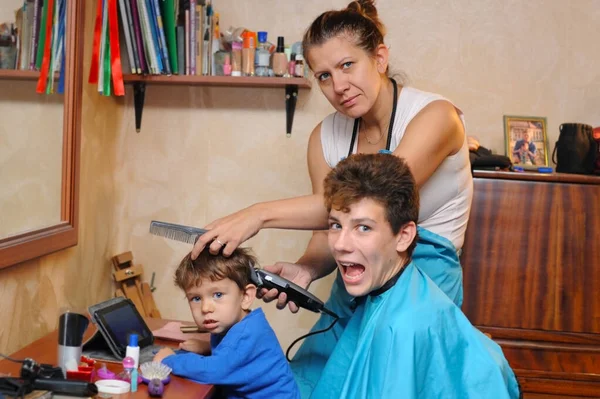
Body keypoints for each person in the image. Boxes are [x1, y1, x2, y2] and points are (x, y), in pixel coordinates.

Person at [299, 152, 520, 398]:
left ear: (404, 236)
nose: (341, 244)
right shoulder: (387, 291)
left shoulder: (402, 329)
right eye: (336, 225)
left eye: (363, 228)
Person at [153, 248, 300, 399]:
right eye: (196, 298)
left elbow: (212, 370)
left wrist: (169, 359)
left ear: (246, 297)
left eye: (218, 295)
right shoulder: (243, 324)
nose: (205, 308)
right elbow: (235, 355)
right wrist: (208, 347)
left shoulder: (246, 334)